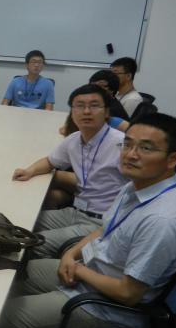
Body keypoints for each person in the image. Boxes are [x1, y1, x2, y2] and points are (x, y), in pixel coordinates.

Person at [2, 112, 176, 328]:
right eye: (127, 144)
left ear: (172, 159)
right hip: (90, 271)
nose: (131, 154)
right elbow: (104, 229)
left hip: (105, 305)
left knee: (10, 317)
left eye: (146, 148)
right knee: (10, 275)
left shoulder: (162, 221)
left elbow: (128, 293)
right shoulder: (136, 186)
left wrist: (78, 270)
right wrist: (71, 253)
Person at [12, 84, 128, 258]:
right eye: (79, 106)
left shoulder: (123, 146)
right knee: (17, 223)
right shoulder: (74, 139)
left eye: (94, 105)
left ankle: (40, 269)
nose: (86, 111)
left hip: (101, 222)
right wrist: (30, 171)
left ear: (106, 112)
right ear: (72, 112)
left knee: (30, 244)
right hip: (75, 211)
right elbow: (49, 161)